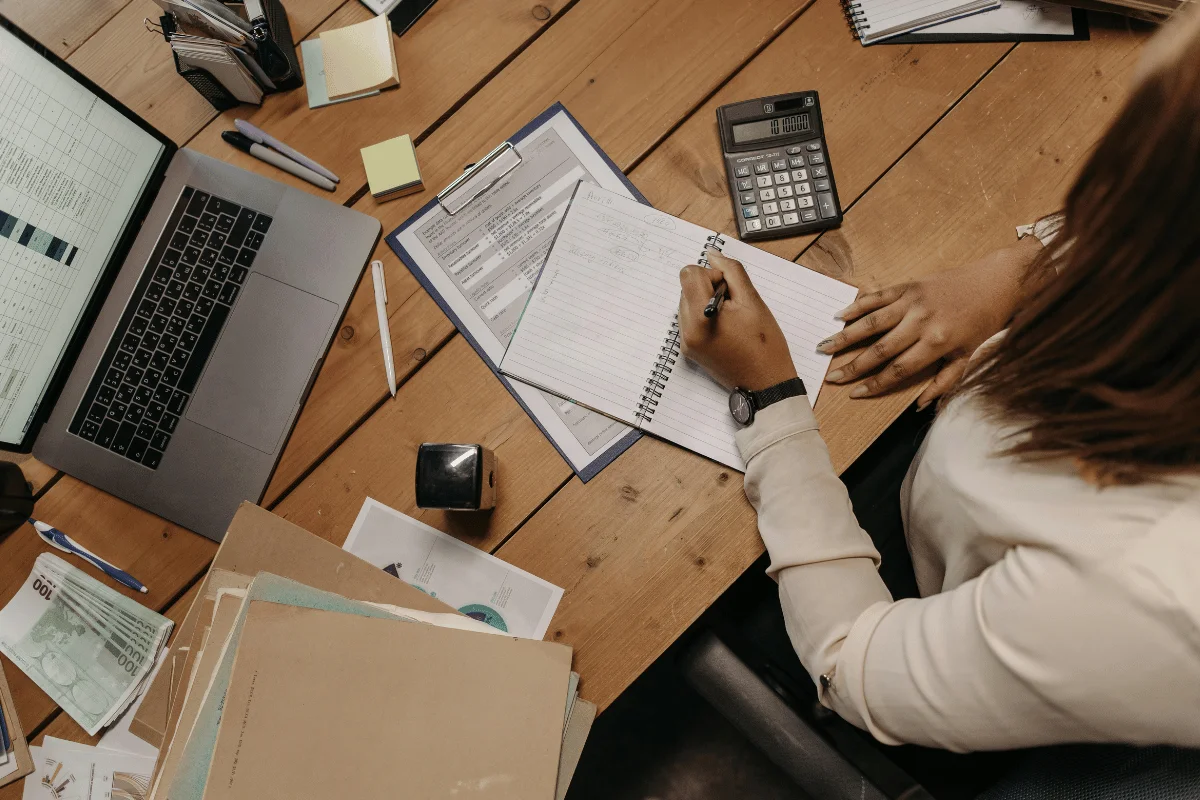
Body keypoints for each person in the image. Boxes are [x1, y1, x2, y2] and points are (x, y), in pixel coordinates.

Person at [676, 8, 1200, 753]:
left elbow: (851, 661)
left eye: (1126, 148)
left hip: (932, 618)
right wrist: (1022, 270)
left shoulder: (1143, 593)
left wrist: (768, 400)